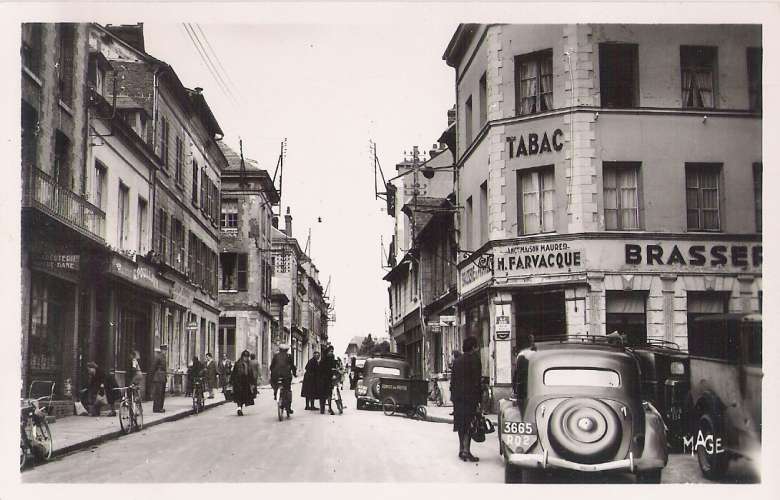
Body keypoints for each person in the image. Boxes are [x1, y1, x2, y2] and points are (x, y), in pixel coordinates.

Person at [451, 336, 481, 462]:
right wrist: (479, 400)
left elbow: (453, 381)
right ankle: (466, 450)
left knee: (460, 423)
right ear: (473, 347)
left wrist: (453, 397)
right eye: (476, 346)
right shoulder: (475, 360)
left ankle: (461, 449)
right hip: (470, 398)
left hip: (458, 398)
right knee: (469, 423)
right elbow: (477, 381)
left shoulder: (457, 361)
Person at [270, 344, 297, 415]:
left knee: (274, 384)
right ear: (287, 350)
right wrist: (294, 373)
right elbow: (292, 366)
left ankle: (276, 393)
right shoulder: (289, 356)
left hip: (275, 375)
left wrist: (272, 372)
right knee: (288, 389)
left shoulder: (276, 355)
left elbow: (272, 366)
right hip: (286, 375)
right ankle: (288, 407)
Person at [230, 350, 257, 416]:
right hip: (238, 382)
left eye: (247, 357)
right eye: (245, 356)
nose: (246, 358)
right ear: (242, 356)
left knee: (243, 397)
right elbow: (234, 373)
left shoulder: (248, 364)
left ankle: (239, 408)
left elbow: (250, 374)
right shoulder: (238, 363)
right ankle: (239, 408)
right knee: (239, 396)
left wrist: (253, 383)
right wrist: (231, 382)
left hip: (245, 383)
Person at [316, 345, 336, 415]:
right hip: (323, 379)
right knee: (325, 394)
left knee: (327, 394)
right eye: (331, 351)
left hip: (327, 379)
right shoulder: (324, 360)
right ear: (327, 352)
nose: (332, 353)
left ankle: (327, 408)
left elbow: (334, 368)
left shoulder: (330, 359)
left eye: (332, 351)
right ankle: (324, 408)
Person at [151, 345, 168, 413]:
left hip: (162, 377)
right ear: (161, 350)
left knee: (162, 393)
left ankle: (160, 407)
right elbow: (153, 367)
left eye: (166, 350)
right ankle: (157, 408)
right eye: (164, 350)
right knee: (158, 393)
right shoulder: (158, 357)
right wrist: (152, 376)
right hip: (158, 377)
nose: (165, 351)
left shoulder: (163, 357)